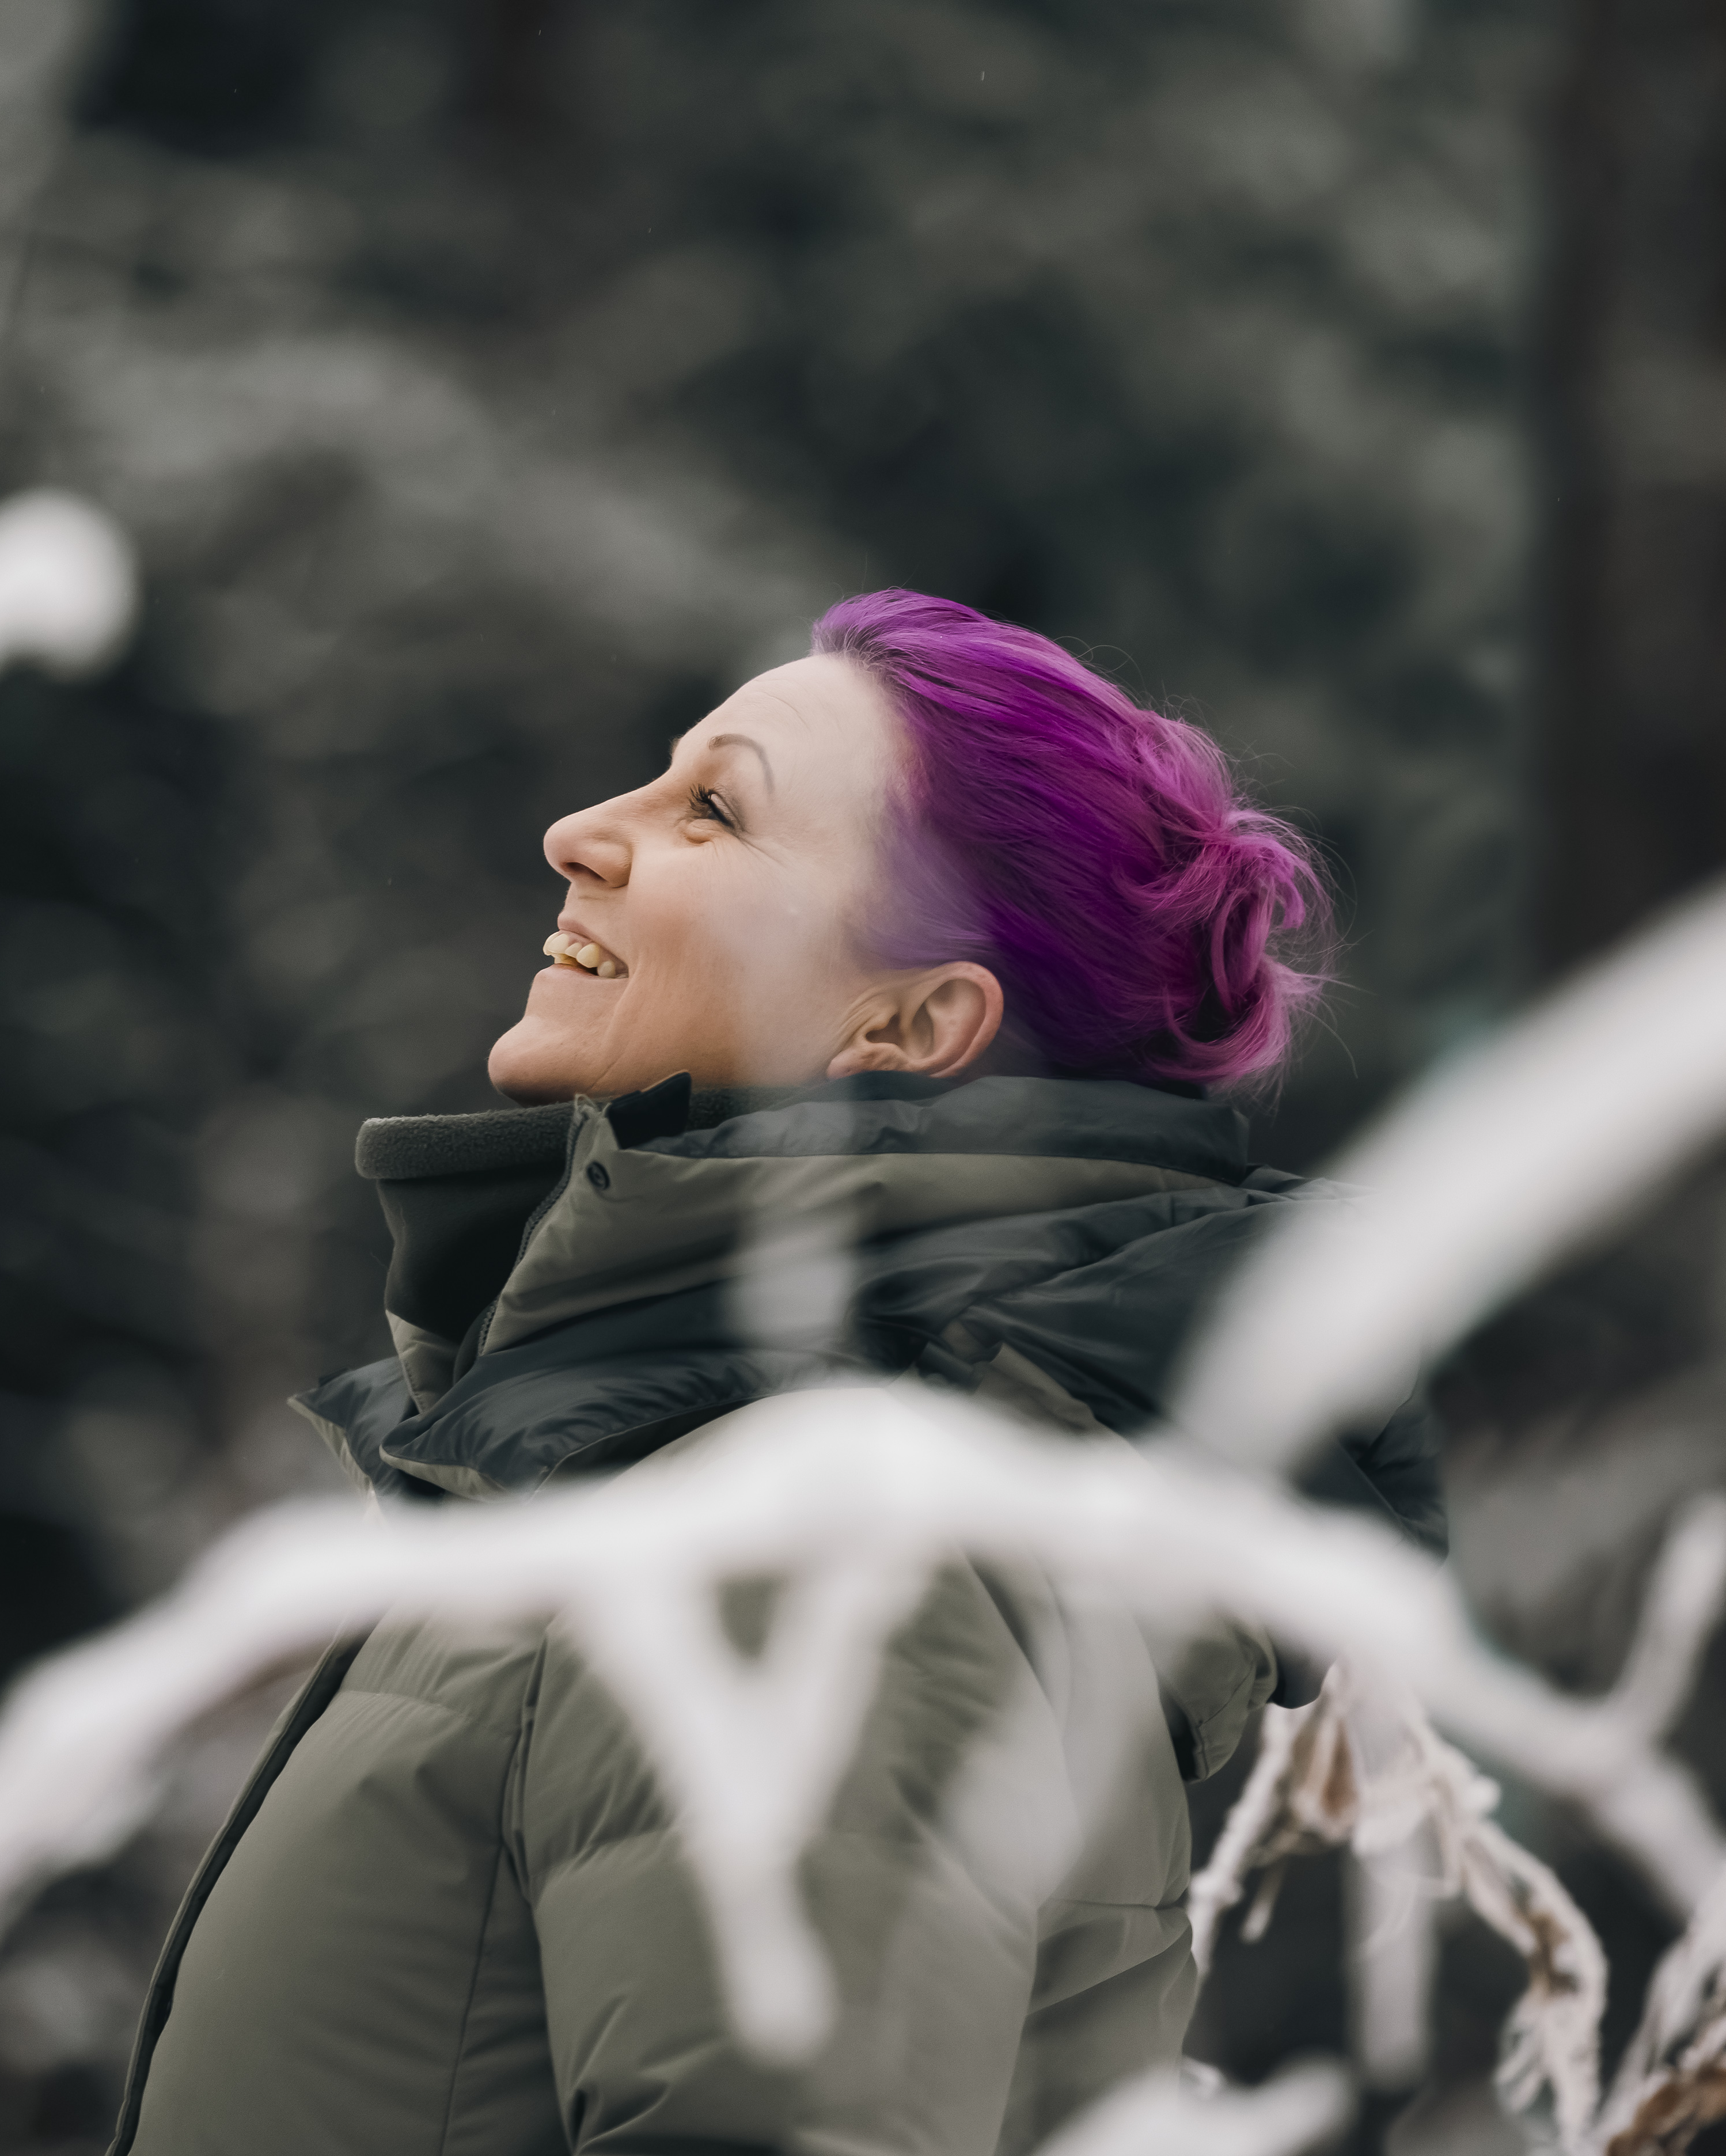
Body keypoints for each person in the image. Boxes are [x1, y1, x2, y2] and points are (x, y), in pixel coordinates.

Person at [108, 590, 1443, 2156]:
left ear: (913, 1019)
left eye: (711, 813)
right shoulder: (708, 1481)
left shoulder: (829, 1552)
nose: (577, 831)